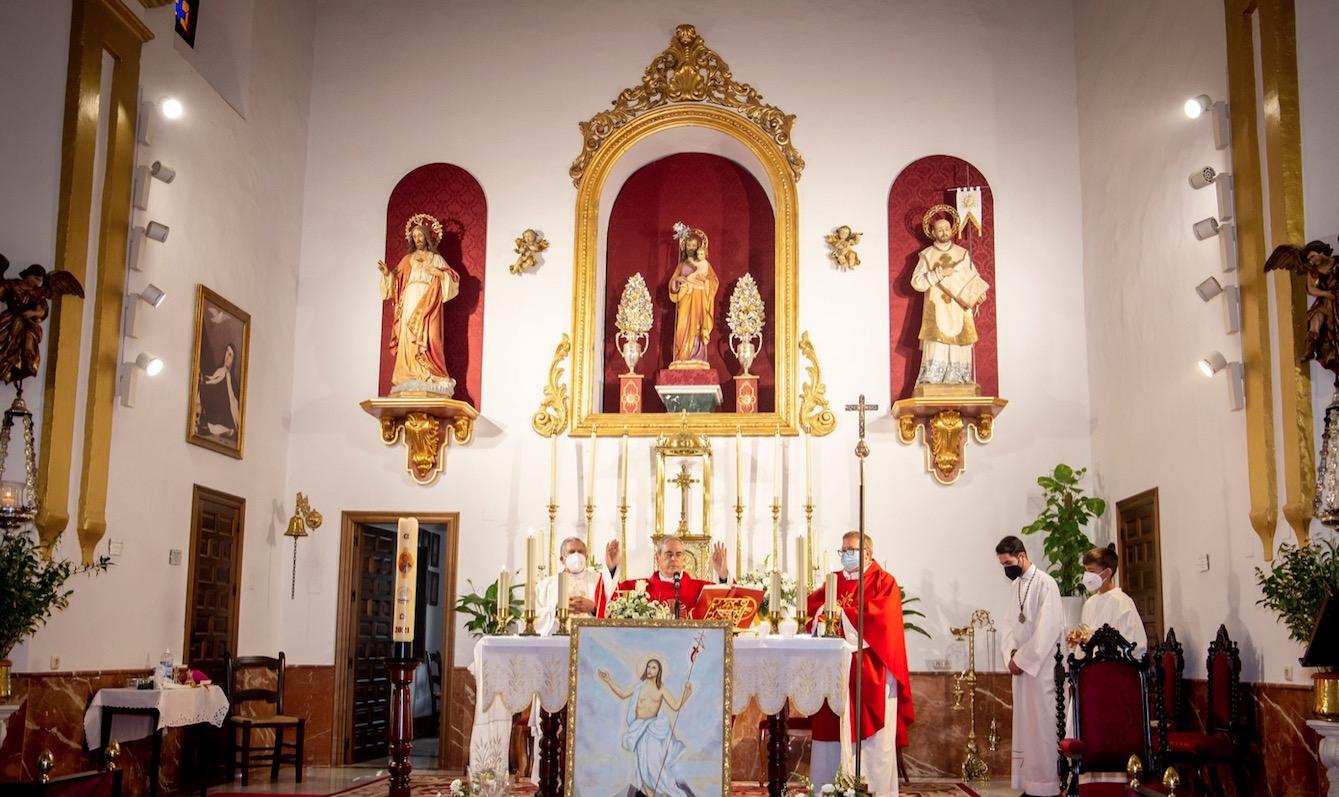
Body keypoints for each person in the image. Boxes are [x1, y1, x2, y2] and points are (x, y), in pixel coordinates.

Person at [804, 531, 913, 797]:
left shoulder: (883, 582)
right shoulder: (833, 582)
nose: (845, 556)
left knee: (874, 744)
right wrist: (824, 613)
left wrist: (842, 615)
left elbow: (882, 620)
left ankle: (874, 791)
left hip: (871, 672)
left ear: (867, 553)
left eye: (850, 550)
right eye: (842, 551)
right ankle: (827, 790)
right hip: (836, 671)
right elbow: (813, 607)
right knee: (831, 735)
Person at [996, 535, 1063, 797]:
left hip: (1042, 669)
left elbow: (1048, 629)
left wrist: (1023, 659)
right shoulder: (1017, 586)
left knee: (1043, 728)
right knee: (1025, 730)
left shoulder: (1046, 584)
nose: (1006, 569)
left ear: (1022, 555)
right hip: (1021, 669)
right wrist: (1011, 655)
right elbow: (1010, 625)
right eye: (1002, 565)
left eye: (1008, 562)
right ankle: (1029, 784)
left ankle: (1047, 785)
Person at [378, 219, 461, 395]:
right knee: (408, 335)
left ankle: (431, 374)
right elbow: (395, 281)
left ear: (426, 237)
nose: (417, 239)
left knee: (431, 336)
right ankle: (409, 375)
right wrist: (387, 274)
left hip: (429, 299)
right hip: (409, 298)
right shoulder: (407, 259)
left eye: (420, 235)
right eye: (414, 236)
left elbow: (452, 279)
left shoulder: (436, 258)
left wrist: (438, 273)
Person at [910, 214, 989, 386]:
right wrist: (938, 273)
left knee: (960, 343)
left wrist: (978, 294)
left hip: (959, 308)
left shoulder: (962, 254)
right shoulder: (927, 255)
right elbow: (917, 282)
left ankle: (958, 378)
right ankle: (933, 379)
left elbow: (973, 278)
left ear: (951, 230)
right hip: (937, 307)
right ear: (933, 232)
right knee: (937, 342)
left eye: (946, 228)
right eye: (940, 229)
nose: (944, 232)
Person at [598, 658, 694, 797]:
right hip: (639, 731)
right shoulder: (639, 686)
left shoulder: (661, 689)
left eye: (653, 667)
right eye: (648, 667)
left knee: (654, 767)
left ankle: (665, 793)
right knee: (642, 768)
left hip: (654, 731)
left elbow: (675, 706)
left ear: (659, 671)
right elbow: (623, 694)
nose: (650, 670)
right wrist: (608, 680)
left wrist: (686, 694)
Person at [596, 536, 730, 617]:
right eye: (668, 554)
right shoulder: (638, 589)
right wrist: (611, 568)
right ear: (657, 557)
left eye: (679, 554)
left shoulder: (701, 589)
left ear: (684, 558)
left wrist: (723, 575)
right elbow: (609, 600)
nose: (674, 559)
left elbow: (730, 605)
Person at [1077, 544, 1147, 658]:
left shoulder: (1123, 602)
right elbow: (1087, 639)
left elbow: (1135, 644)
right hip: (1091, 668)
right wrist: (1080, 639)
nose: (1087, 576)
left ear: (1108, 572)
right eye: (1086, 571)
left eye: (1092, 571)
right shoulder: (1089, 603)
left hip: (1115, 668)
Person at [535, 536, 612, 636]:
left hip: (591, 641)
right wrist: (556, 610)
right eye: (572, 552)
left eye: (580, 552)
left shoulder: (600, 582)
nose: (576, 555)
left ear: (586, 557)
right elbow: (533, 617)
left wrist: (594, 608)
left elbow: (614, 612)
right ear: (562, 559)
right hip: (555, 642)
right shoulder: (546, 585)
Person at [667, 225, 719, 368]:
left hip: (699, 298)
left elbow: (714, 281)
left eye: (694, 245)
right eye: (688, 245)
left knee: (697, 325)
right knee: (682, 326)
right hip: (685, 298)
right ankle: (682, 355)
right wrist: (678, 281)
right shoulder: (682, 264)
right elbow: (673, 282)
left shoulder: (705, 265)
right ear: (684, 247)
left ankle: (697, 355)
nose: (691, 248)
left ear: (699, 248)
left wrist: (705, 282)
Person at [196, 342, 240, 439]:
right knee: (203, 390)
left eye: (230, 355)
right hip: (216, 403)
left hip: (224, 409)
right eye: (226, 352)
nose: (227, 357)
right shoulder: (220, 370)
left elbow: (233, 400)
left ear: (233, 359)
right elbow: (213, 380)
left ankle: (223, 429)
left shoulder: (231, 379)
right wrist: (205, 381)